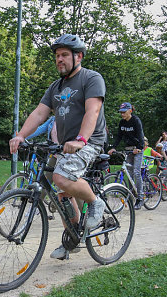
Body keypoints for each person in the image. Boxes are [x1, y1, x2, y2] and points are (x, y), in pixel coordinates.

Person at [9, 34, 107, 260]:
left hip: (88, 142)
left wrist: (81, 140)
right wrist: (21, 135)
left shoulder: (92, 79)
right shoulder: (55, 87)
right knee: (58, 191)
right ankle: (71, 237)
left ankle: (95, 201)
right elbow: (39, 113)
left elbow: (92, 111)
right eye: (57, 56)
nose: (59, 60)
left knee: (61, 178)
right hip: (64, 145)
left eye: (64, 55)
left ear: (78, 56)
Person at [107, 102, 145, 210]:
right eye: (121, 112)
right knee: (129, 173)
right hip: (128, 150)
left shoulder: (136, 121)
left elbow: (140, 135)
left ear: (130, 111)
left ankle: (140, 198)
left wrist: (139, 147)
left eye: (124, 112)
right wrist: (113, 147)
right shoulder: (122, 123)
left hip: (137, 149)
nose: (122, 114)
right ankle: (131, 194)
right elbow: (119, 136)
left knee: (136, 172)